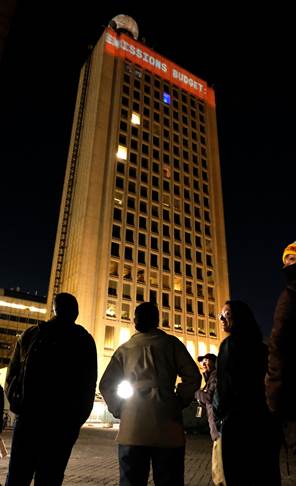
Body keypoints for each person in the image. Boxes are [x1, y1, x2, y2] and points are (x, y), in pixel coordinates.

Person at [99, 301, 201, 486]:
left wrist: (119, 408)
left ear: (135, 320)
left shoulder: (125, 349)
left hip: (133, 425)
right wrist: (179, 400)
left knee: (131, 480)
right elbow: (193, 376)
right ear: (157, 320)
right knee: (169, 479)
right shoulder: (171, 344)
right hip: (167, 423)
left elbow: (106, 384)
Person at [4, 292, 97, 486]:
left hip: (29, 418)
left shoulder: (32, 333)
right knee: (50, 477)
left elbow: (12, 376)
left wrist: (18, 405)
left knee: (18, 475)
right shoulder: (83, 339)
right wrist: (76, 421)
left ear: (54, 309)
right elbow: (88, 385)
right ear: (76, 312)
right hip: (62, 423)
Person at [214, 300, 281, 486]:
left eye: (226, 314)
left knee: (239, 476)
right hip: (264, 423)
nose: (221, 318)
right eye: (221, 314)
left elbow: (224, 387)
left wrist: (220, 416)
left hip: (238, 425)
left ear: (240, 317)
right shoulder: (262, 347)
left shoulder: (229, 346)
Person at [265, 240, 296, 478]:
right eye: (287, 260)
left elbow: (278, 349)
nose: (289, 264)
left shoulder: (289, 297)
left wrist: (273, 399)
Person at [195, 353, 219, 442]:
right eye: (202, 362)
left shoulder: (215, 376)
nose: (203, 364)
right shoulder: (210, 377)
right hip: (215, 421)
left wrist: (196, 392)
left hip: (217, 422)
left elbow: (209, 398)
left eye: (206, 361)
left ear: (214, 363)